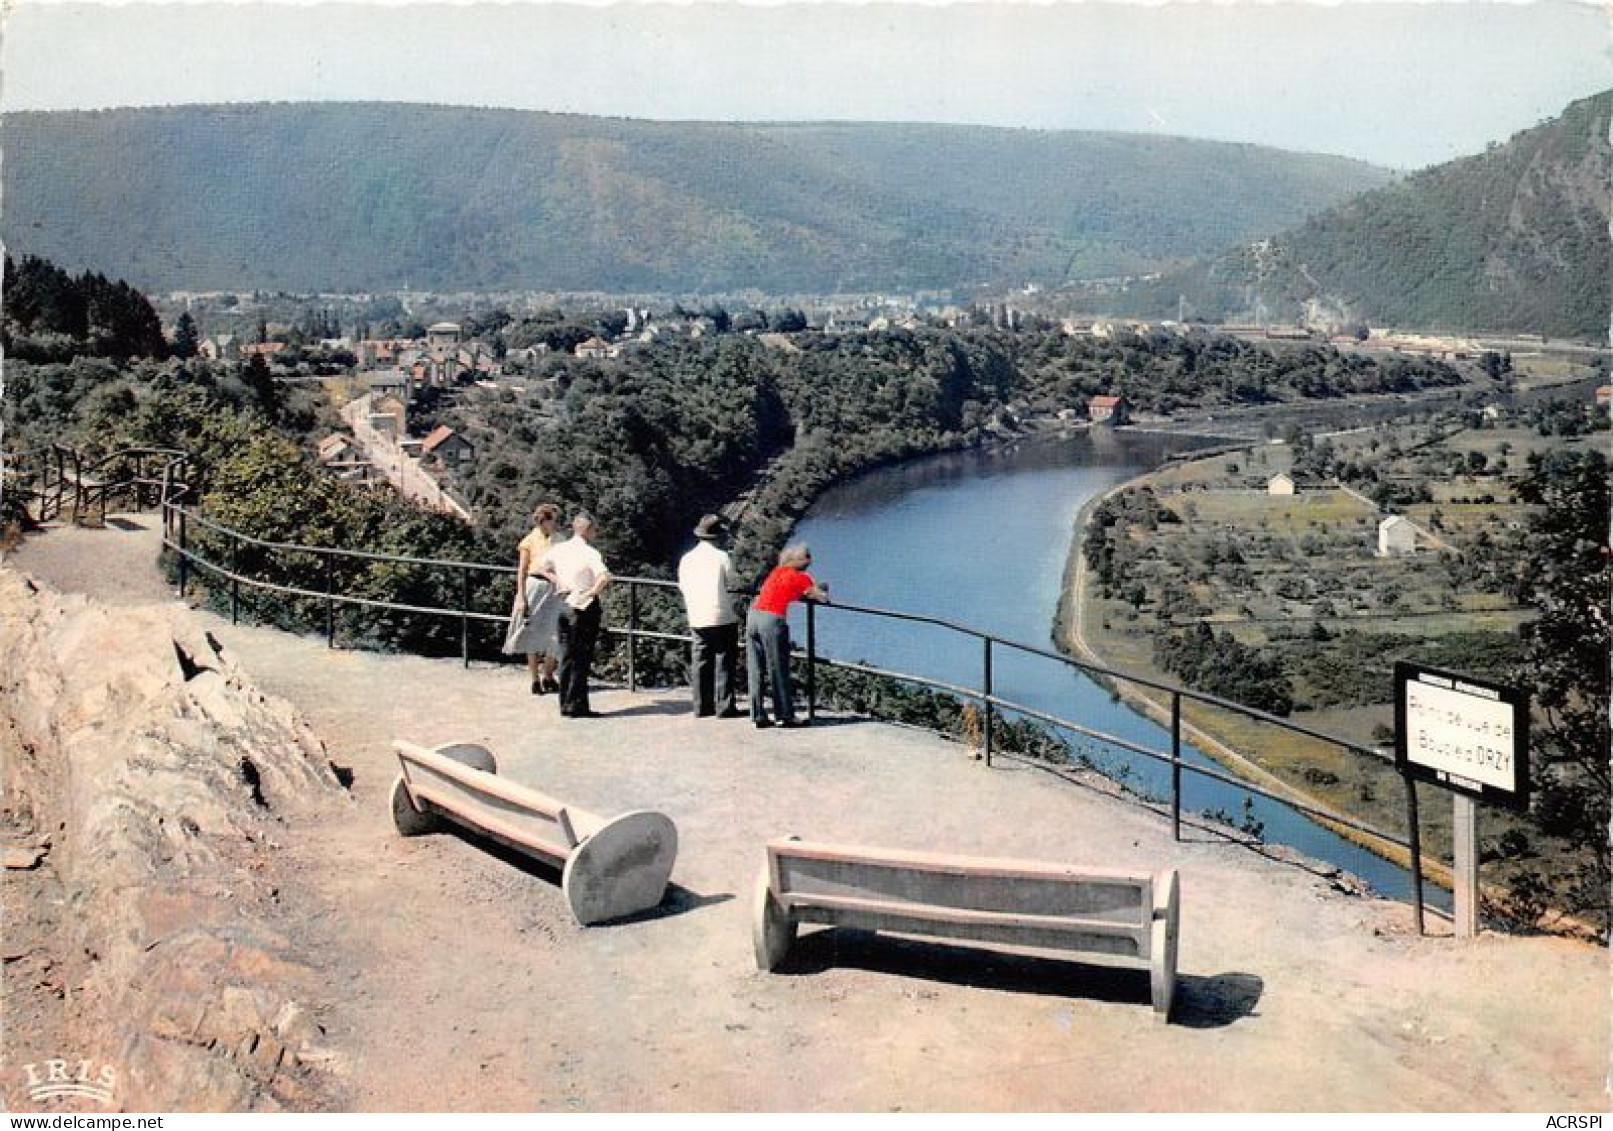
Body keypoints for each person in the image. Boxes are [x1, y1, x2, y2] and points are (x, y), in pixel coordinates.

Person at [746, 543, 829, 729]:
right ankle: (784, 715)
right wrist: (821, 589)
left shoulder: (777, 571)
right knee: (778, 668)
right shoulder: (801, 577)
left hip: (753, 615)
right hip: (772, 619)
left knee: (755, 668)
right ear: (803, 561)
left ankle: (757, 714)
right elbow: (821, 597)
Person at [541, 511, 613, 718]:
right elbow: (604, 576)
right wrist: (591, 592)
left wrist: (558, 581)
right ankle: (577, 705)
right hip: (582, 605)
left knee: (566, 654)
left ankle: (566, 703)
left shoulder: (559, 549)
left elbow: (541, 567)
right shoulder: (590, 553)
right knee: (581, 656)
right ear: (588, 530)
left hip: (563, 601)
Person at [677, 514, 742, 719]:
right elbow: (732, 584)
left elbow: (682, 586)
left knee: (700, 661)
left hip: (697, 615)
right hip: (721, 615)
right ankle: (724, 706)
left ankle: (701, 706)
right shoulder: (722, 557)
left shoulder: (687, 558)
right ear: (717, 536)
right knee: (724, 660)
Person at [501, 502, 561, 694]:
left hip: (554, 586)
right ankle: (535, 678)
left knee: (556, 631)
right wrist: (521, 595)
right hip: (535, 585)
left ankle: (548, 675)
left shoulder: (559, 539)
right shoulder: (529, 541)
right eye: (553, 520)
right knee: (531, 631)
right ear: (544, 521)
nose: (555, 524)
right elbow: (522, 570)